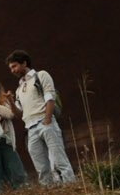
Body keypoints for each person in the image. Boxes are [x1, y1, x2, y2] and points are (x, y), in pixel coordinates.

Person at [7, 50, 76, 184]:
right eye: (10, 68)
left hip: (45, 122)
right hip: (30, 129)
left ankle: (72, 189)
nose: (12, 70)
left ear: (24, 63)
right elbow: (19, 113)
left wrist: (47, 119)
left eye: (14, 66)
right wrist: (10, 101)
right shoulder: (19, 89)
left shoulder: (41, 75)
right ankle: (49, 194)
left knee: (60, 161)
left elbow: (50, 97)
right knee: (41, 168)